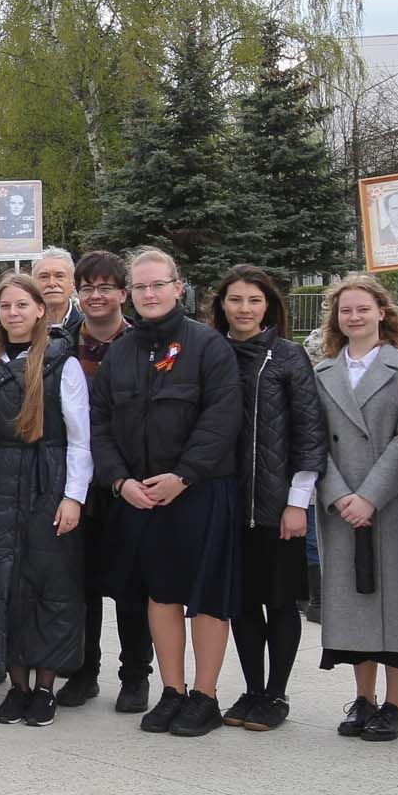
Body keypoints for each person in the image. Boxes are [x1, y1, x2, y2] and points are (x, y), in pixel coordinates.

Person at [88, 247, 243, 738]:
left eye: (158, 285)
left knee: (207, 600)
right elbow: (100, 424)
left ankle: (205, 695)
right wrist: (120, 481)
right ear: (129, 294)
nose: (149, 294)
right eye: (140, 287)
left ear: (179, 287)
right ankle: (172, 691)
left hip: (199, 492)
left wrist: (184, 476)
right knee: (162, 596)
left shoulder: (208, 345)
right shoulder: (122, 352)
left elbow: (221, 419)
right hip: (141, 497)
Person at [0, 272, 91, 728]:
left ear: (40, 310)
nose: (13, 314)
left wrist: (73, 497)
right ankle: (16, 686)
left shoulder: (61, 361)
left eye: (21, 305)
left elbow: (79, 439)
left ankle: (44, 688)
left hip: (46, 480)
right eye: (5, 307)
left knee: (48, 587)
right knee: (1, 585)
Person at [210, 265, 327, 732]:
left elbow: (309, 430)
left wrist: (298, 501)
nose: (243, 309)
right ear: (222, 304)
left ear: (268, 305)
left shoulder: (287, 356)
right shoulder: (212, 353)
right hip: (225, 502)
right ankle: (252, 688)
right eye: (235, 299)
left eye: (253, 300)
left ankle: (276, 693)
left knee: (279, 601)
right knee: (240, 602)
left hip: (278, 503)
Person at [312, 274, 398, 743]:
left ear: (382, 312)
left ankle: (396, 704)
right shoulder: (322, 372)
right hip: (341, 505)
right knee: (353, 602)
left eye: (363, 308)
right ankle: (364, 698)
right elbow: (313, 440)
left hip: (390, 501)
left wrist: (370, 496)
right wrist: (340, 496)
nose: (354, 317)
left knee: (394, 601)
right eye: (345, 310)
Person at [55, 251, 151, 711]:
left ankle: (135, 674)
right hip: (78, 483)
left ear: (122, 294)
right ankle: (83, 671)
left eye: (105, 287)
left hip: (129, 479)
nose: (95, 296)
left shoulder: (143, 344)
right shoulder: (60, 343)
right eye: (87, 287)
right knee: (82, 583)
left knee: (133, 584)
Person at [32, 247, 79, 334]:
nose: (52, 284)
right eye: (44, 277)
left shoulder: (88, 328)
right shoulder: (24, 328)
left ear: (73, 283)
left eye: (59, 276)